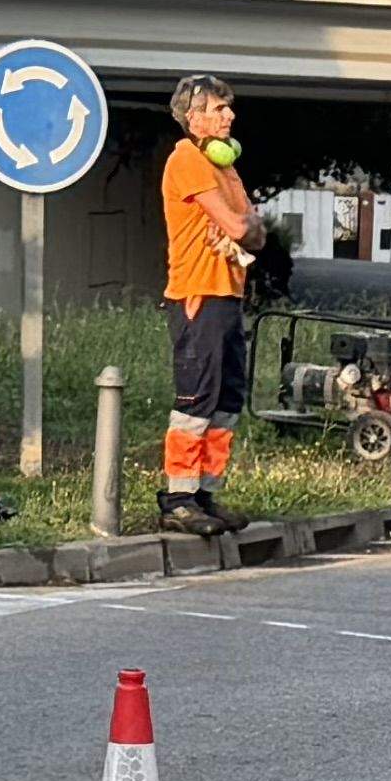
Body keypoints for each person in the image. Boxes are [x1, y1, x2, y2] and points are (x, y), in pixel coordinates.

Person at [157, 74, 254, 535]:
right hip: (198, 294)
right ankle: (178, 498)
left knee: (227, 400)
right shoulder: (187, 159)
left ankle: (204, 494)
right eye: (218, 108)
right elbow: (240, 228)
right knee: (196, 400)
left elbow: (252, 226)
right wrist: (242, 227)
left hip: (228, 293)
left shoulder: (225, 166)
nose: (229, 115)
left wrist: (244, 227)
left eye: (228, 107)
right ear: (193, 118)